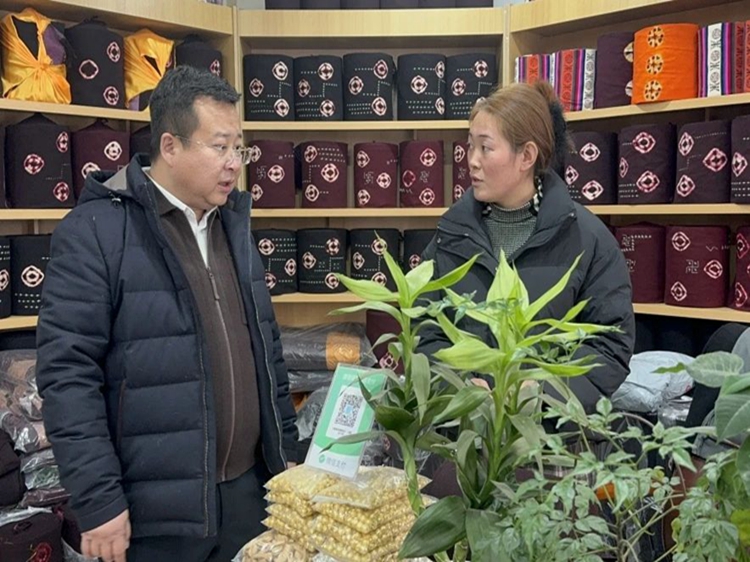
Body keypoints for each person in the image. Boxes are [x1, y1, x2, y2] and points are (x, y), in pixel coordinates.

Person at [35, 66, 298, 562]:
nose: (234, 164)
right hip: (154, 513)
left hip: (248, 497)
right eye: (219, 147)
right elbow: (67, 375)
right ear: (170, 146)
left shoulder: (233, 225)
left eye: (239, 148)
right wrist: (99, 499)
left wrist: (288, 461)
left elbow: (268, 355)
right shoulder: (96, 231)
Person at [419, 80, 635, 414]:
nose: (472, 161)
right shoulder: (452, 233)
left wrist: (543, 393)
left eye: (485, 148)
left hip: (547, 436)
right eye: (470, 146)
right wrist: (456, 384)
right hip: (462, 429)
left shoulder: (587, 239)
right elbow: (423, 327)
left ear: (527, 156)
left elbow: (609, 346)